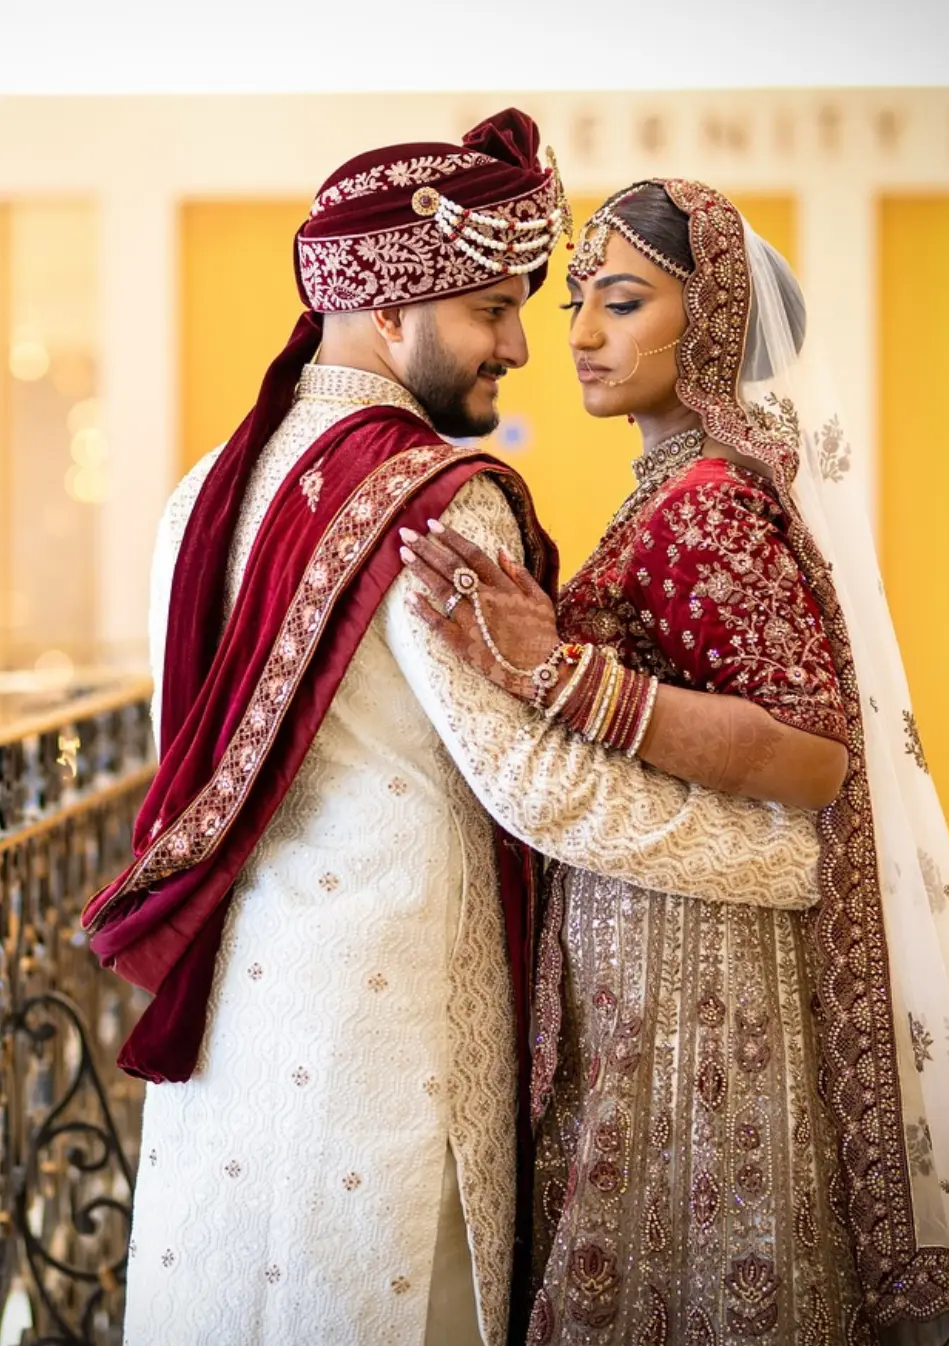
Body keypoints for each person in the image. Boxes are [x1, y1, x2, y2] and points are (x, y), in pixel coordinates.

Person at [81, 125, 827, 1346]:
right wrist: (781, 857)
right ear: (389, 311)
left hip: (232, 1020)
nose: (525, 347)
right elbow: (540, 786)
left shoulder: (203, 487)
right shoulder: (437, 494)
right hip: (388, 1041)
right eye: (492, 309)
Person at [404, 181, 949, 1345]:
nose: (580, 334)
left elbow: (811, 752)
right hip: (669, 955)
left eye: (621, 302)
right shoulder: (679, 487)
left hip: (699, 983)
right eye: (577, 303)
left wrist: (562, 675)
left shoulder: (706, 503)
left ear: (711, 321)